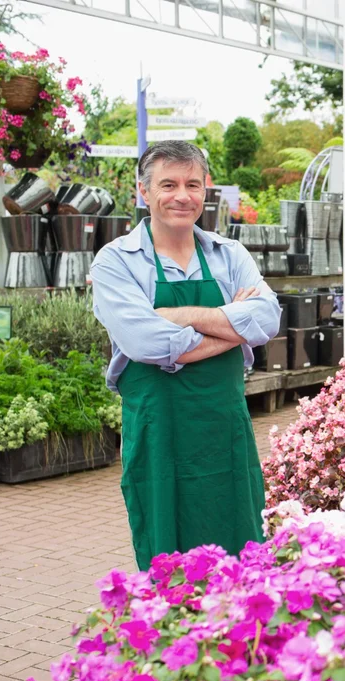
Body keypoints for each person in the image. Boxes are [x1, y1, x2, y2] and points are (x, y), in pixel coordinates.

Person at [90, 141, 281, 571]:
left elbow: (267, 319)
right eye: (169, 184)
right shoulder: (116, 262)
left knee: (241, 546)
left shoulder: (228, 254)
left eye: (193, 184)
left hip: (226, 433)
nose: (183, 195)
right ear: (143, 192)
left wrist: (180, 315)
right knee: (167, 550)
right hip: (160, 434)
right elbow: (146, 344)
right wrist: (234, 329)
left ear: (205, 191)